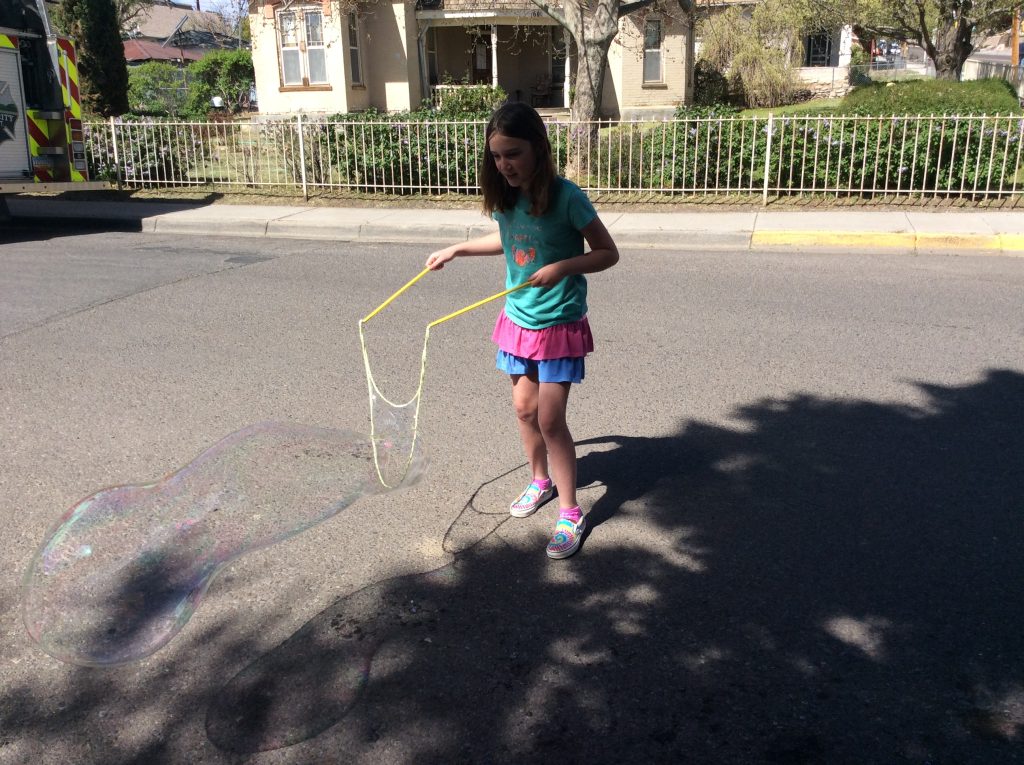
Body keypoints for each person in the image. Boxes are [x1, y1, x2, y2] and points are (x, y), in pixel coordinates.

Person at [425, 102, 619, 559]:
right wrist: (457, 248)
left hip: (558, 324)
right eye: (496, 156)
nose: (504, 164)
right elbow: (508, 241)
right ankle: (540, 480)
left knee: (551, 419)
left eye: (512, 153)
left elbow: (608, 252)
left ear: (538, 148)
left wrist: (562, 267)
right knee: (524, 411)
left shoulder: (567, 197)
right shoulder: (507, 199)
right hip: (518, 321)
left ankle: (570, 511)